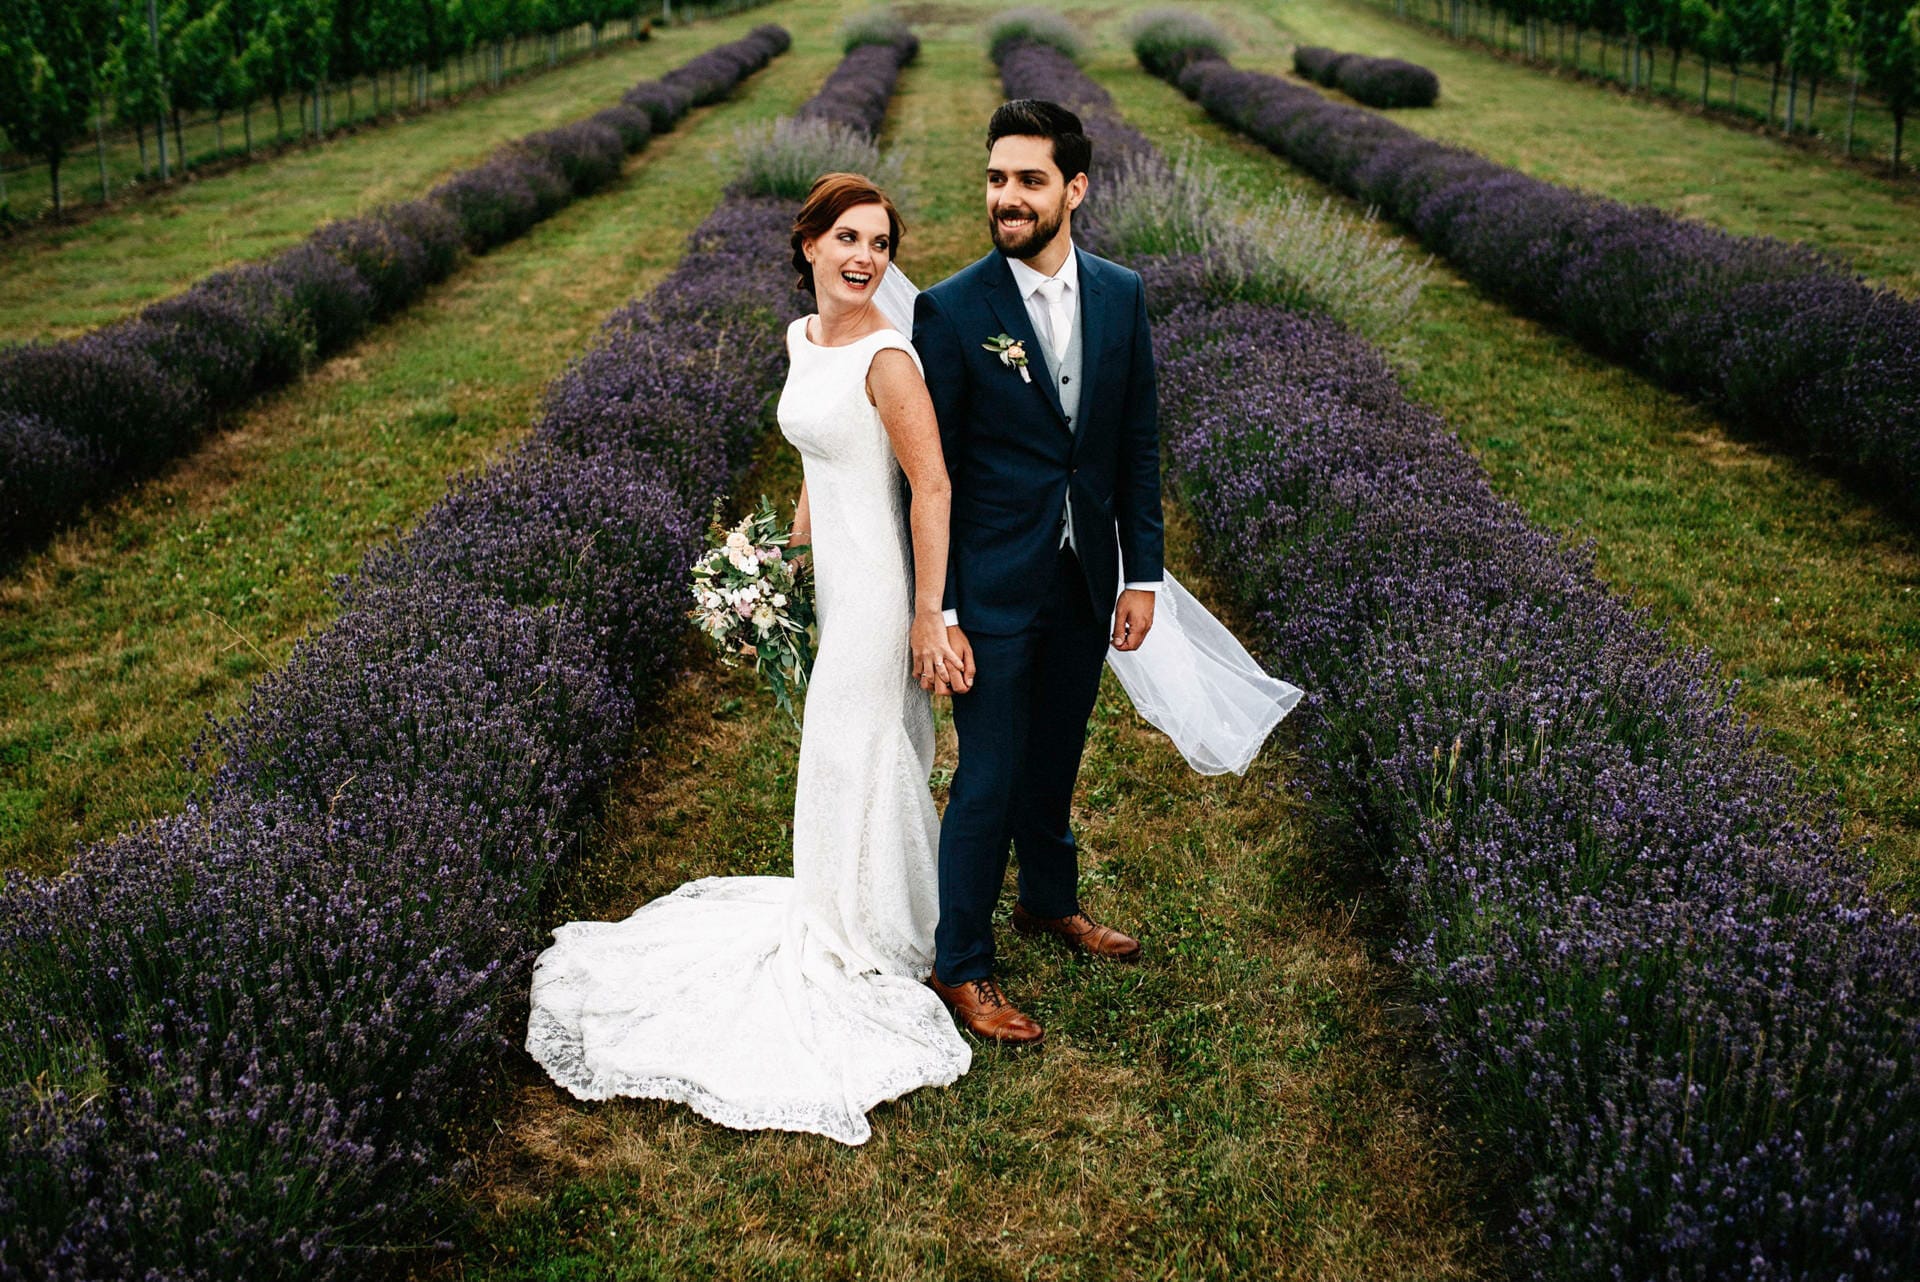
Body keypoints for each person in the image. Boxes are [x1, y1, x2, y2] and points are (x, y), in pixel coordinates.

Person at [523, 172, 971, 1146]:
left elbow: (931, 487)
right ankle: (853, 904)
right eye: (847, 238)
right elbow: (815, 466)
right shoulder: (803, 342)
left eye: (881, 245)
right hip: (834, 580)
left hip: (886, 585)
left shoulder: (891, 361)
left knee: (865, 744)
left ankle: (882, 934)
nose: (864, 258)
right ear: (807, 243)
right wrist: (779, 571)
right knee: (842, 744)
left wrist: (928, 613)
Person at [911, 99, 1166, 1047]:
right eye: (995, 179)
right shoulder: (953, 308)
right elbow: (928, 477)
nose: (1006, 198)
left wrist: (1143, 575)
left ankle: (1049, 903)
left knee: (1058, 753)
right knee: (990, 773)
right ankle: (960, 964)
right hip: (989, 585)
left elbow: (1134, 442)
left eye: (1028, 180)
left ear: (1076, 188)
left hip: (1084, 579)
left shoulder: (1121, 292)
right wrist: (937, 607)